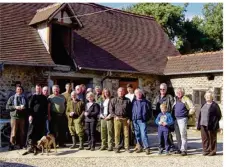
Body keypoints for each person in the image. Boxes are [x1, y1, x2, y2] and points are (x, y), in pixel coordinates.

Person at [197, 91, 222, 156]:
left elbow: (219, 115)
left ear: (212, 97)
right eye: (206, 96)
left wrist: (214, 122)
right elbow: (200, 114)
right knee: (204, 138)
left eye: (209, 96)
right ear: (205, 97)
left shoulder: (215, 105)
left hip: (212, 125)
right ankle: (206, 150)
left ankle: (212, 151)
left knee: (212, 138)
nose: (208, 97)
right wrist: (199, 124)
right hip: (203, 123)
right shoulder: (203, 104)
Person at [172, 87, 195, 156]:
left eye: (180, 92)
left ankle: (184, 150)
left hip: (182, 119)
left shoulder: (186, 99)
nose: (178, 93)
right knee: (178, 135)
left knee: (183, 134)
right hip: (176, 119)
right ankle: (180, 148)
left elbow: (192, 108)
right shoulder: (175, 99)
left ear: (183, 93)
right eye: (177, 92)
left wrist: (187, 114)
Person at [26, 84, 48, 154]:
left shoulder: (44, 97)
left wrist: (46, 115)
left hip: (41, 118)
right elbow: (29, 107)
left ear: (41, 89)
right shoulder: (32, 97)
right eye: (37, 88)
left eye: (39, 88)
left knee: (40, 131)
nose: (38, 89)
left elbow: (46, 107)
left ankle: (39, 146)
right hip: (34, 117)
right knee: (31, 131)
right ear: (35, 89)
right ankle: (30, 146)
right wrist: (30, 115)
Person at [152, 83, 175, 152]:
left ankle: (170, 146)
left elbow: (173, 107)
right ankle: (162, 146)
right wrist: (157, 117)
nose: (162, 90)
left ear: (166, 89)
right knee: (161, 134)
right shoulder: (157, 97)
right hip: (160, 119)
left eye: (163, 89)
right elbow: (153, 106)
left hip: (167, 118)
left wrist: (169, 117)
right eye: (161, 89)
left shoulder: (169, 97)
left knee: (168, 134)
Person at [109, 87, 132, 153]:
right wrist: (115, 116)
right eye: (119, 91)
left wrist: (129, 118)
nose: (121, 92)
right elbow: (111, 110)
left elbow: (130, 111)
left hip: (125, 119)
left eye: (122, 91)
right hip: (117, 119)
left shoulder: (128, 100)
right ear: (117, 92)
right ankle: (117, 147)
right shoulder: (113, 100)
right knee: (117, 134)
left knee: (126, 134)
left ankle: (127, 147)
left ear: (124, 92)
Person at [6, 86, 28, 150]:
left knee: (22, 132)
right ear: (16, 90)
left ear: (22, 91)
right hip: (14, 117)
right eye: (18, 89)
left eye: (20, 89)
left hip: (22, 117)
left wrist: (24, 108)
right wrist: (15, 107)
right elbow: (7, 107)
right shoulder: (12, 98)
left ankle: (22, 145)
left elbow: (27, 107)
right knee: (13, 132)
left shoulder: (24, 98)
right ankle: (12, 145)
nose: (19, 90)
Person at [132, 88, 152, 155]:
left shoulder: (145, 102)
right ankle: (139, 147)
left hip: (142, 121)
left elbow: (149, 111)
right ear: (135, 94)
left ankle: (147, 148)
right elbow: (131, 110)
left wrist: (146, 119)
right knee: (137, 134)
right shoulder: (133, 102)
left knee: (144, 134)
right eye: (137, 93)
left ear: (142, 93)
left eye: (140, 93)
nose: (138, 94)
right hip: (135, 120)